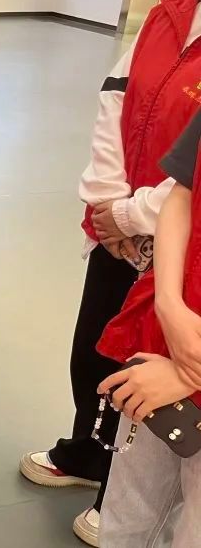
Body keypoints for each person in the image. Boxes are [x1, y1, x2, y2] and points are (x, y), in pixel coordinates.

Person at [21, 0, 201, 546]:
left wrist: (131, 215)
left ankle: (122, 497)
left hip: (166, 240)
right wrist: (107, 202)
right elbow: (115, 97)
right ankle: (88, 454)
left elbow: (190, 181)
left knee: (155, 377)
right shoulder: (169, 14)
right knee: (96, 351)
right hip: (127, 229)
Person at [96, 103, 201, 546]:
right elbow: (184, 189)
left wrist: (189, 373)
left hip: (181, 364)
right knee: (125, 518)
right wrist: (168, 305)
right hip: (167, 346)